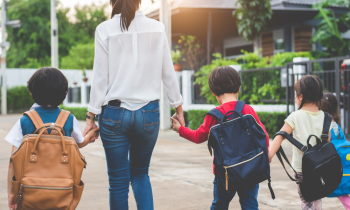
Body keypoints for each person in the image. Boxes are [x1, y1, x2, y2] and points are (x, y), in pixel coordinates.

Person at [83, 0, 184, 209]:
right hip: (148, 113)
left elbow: (100, 78)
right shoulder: (158, 28)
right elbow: (168, 72)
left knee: (118, 183)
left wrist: (90, 117)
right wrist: (178, 108)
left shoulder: (104, 29)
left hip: (113, 113)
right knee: (140, 174)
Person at [171, 66, 269, 210]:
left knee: (219, 206)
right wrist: (266, 156)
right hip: (250, 170)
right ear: (239, 88)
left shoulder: (214, 116)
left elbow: (198, 136)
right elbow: (264, 135)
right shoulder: (247, 110)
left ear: (214, 92)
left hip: (225, 174)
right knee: (250, 205)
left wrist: (181, 129)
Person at [6, 67, 99, 210]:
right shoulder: (69, 119)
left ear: (31, 92)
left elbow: (13, 161)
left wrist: (12, 194)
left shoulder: (24, 121)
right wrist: (91, 135)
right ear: (64, 94)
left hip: (29, 194)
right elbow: (80, 143)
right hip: (63, 192)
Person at [268, 75, 330, 210]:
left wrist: (270, 155)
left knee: (306, 201)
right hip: (320, 167)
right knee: (317, 197)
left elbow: (280, 135)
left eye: (295, 95)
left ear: (300, 96)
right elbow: (328, 142)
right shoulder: (325, 117)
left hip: (302, 169)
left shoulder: (295, 116)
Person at [320, 93, 350, 210]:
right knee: (343, 194)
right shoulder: (336, 125)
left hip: (331, 167)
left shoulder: (325, 124)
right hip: (341, 167)